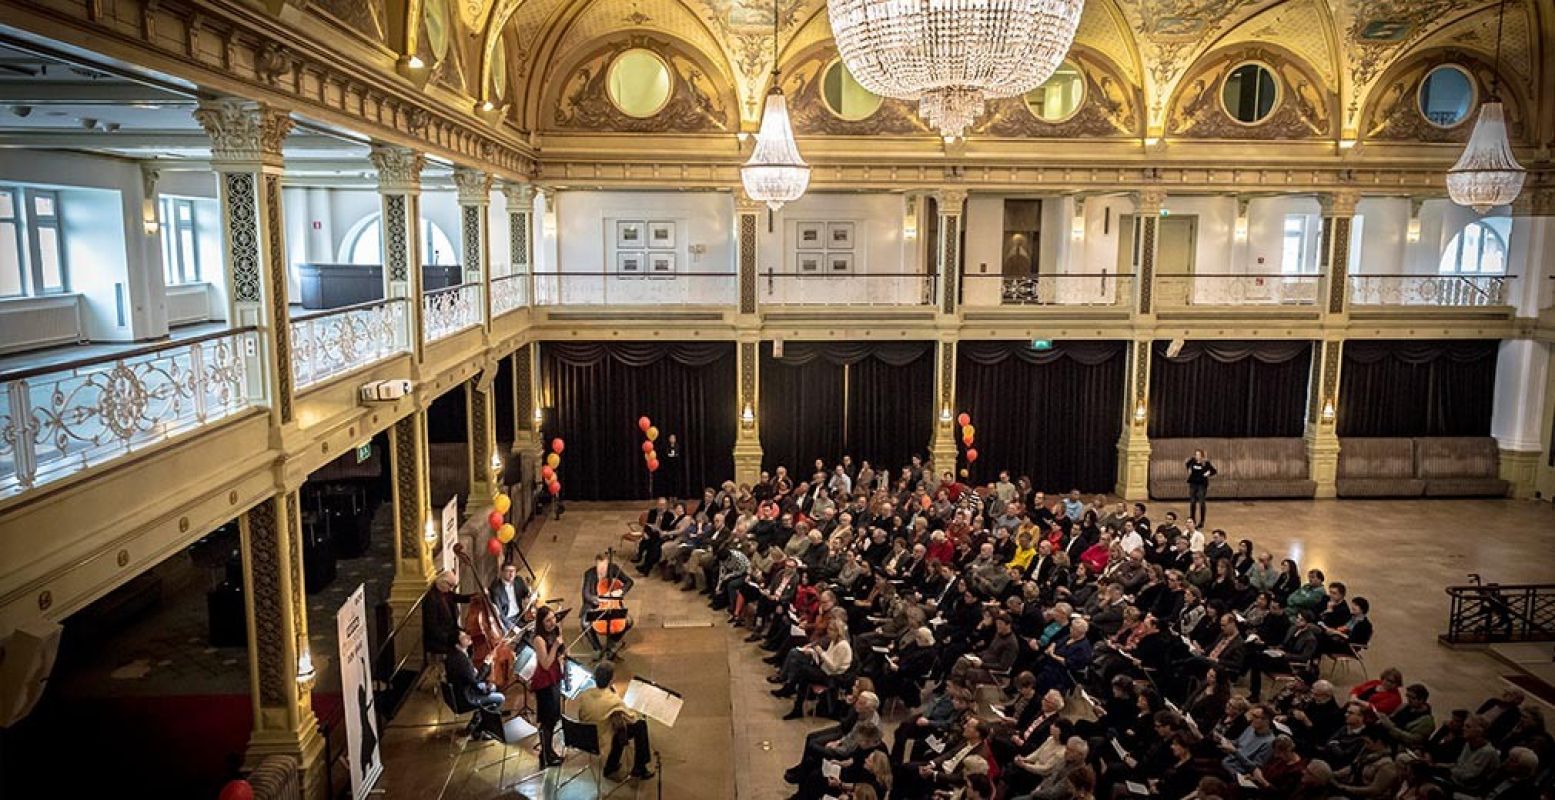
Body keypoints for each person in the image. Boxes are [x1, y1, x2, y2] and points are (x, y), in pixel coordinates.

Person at [575, 661, 655, 780]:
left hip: (583, 737)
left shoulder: (584, 694)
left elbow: (581, 714)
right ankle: (639, 767)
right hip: (601, 740)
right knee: (640, 725)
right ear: (611, 680)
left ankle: (611, 766)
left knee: (617, 724)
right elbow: (632, 719)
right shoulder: (613, 700)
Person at [446, 629, 505, 740]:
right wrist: (486, 664)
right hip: (466, 697)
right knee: (500, 698)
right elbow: (476, 683)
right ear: (457, 643)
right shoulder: (460, 661)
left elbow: (472, 680)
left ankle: (477, 720)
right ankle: (479, 730)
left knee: (494, 687)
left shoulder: (457, 655)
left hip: (463, 691)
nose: (468, 637)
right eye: (464, 637)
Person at [529, 605, 566, 766]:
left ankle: (549, 751)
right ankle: (545, 755)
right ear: (541, 622)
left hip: (555, 678)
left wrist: (561, 644)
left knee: (554, 717)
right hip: (544, 682)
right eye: (548, 620)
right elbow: (545, 663)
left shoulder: (553, 632)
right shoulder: (538, 639)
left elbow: (561, 653)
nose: (552, 622)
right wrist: (556, 646)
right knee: (547, 719)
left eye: (553, 618)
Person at [581, 552, 636, 658]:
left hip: (613, 604)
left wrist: (620, 591)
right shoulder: (589, 574)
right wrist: (599, 600)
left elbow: (629, 582)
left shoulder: (613, 569)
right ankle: (597, 648)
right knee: (585, 624)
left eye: (605, 567)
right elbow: (586, 594)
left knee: (629, 621)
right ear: (596, 564)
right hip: (596, 606)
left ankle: (612, 643)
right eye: (600, 567)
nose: (602, 570)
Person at [424, 570, 474, 656]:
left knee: (471, 640)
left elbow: (461, 598)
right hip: (439, 638)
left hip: (452, 631)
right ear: (442, 582)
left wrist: (477, 596)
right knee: (463, 645)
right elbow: (433, 628)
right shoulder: (431, 599)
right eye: (450, 585)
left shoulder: (447, 593)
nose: (451, 589)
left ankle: (469, 667)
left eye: (453, 586)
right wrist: (454, 638)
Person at [488, 562, 530, 633]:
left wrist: (529, 596)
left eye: (513, 571)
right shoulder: (496, 589)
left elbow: (526, 593)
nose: (511, 574)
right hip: (506, 620)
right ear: (502, 572)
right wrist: (513, 627)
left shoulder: (518, 580)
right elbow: (500, 614)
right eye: (508, 571)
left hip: (520, 616)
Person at [1185, 448, 1217, 524]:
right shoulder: (1192, 461)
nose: (1197, 456)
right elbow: (1187, 465)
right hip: (1193, 483)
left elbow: (1214, 471)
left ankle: (1202, 521)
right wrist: (1189, 470)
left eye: (1199, 455)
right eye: (1196, 454)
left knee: (1201, 502)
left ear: (1202, 456)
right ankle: (1192, 519)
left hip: (1202, 484)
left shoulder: (1206, 463)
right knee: (1192, 502)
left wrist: (1208, 473)